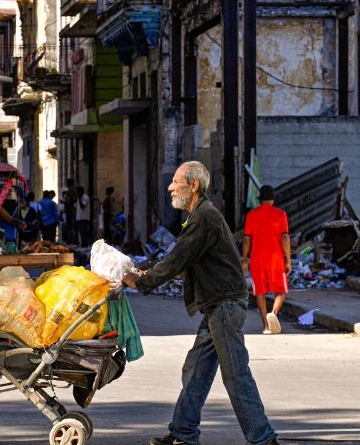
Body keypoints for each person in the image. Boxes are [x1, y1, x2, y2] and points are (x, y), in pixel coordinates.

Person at [122, 161, 279, 445]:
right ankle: (183, 434)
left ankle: (263, 439)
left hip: (225, 304)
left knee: (236, 374)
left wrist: (142, 281)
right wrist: (146, 272)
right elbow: (182, 258)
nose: (170, 187)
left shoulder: (204, 217)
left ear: (193, 186)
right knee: (196, 368)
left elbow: (179, 257)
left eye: (176, 181)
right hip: (216, 305)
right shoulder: (198, 215)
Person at [242, 185, 291, 334]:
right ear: (273, 199)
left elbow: (246, 240)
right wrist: (288, 259)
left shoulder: (251, 215)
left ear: (260, 200)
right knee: (281, 290)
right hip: (276, 259)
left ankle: (266, 326)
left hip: (257, 259)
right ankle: (273, 314)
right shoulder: (281, 214)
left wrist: (244, 260)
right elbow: (285, 238)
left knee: (260, 293)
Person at [63, 179, 78, 244]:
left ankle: (71, 242)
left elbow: (67, 201)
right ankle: (75, 241)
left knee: (70, 227)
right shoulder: (75, 191)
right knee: (74, 226)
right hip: (74, 210)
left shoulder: (69, 192)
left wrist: (65, 203)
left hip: (70, 211)